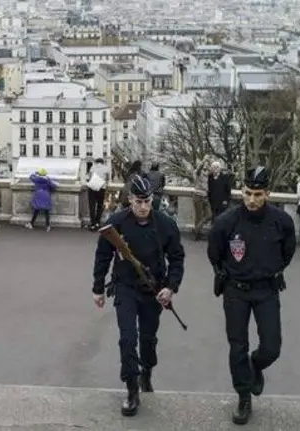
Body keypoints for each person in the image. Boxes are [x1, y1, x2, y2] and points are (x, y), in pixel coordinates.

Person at [207, 166, 296, 425]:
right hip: (236, 291)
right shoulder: (227, 221)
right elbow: (215, 253)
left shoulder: (282, 221)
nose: (252, 200)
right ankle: (244, 396)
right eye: (248, 193)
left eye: (258, 194)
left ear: (267, 193)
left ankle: (255, 366)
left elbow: (288, 252)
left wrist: (270, 269)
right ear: (241, 192)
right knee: (238, 346)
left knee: (272, 347)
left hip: (267, 289)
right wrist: (228, 273)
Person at [92, 174, 185, 417]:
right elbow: (102, 256)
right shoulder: (116, 222)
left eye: (147, 201)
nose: (143, 207)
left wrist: (171, 287)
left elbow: (176, 258)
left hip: (153, 289)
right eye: (138, 202)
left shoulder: (165, 224)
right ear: (130, 199)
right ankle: (132, 388)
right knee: (127, 338)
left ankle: (147, 373)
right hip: (125, 287)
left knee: (148, 339)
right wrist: (98, 288)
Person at [87, 158, 110, 230]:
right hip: (101, 188)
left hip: (92, 188)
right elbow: (107, 179)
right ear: (102, 162)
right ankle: (97, 223)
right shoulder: (106, 168)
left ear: (96, 162)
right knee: (100, 206)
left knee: (92, 206)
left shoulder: (92, 167)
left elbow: (89, 178)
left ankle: (93, 224)